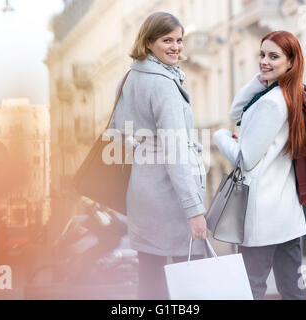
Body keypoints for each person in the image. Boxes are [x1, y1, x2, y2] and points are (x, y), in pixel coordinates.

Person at [110, 12, 207, 300]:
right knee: (187, 282)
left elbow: (118, 132)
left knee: (150, 278)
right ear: (149, 42)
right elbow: (175, 152)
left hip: (142, 189)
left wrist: (145, 146)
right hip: (170, 196)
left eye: (179, 40)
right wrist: (194, 210)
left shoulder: (129, 78)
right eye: (167, 40)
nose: (176, 47)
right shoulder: (164, 84)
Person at [213, 30, 306, 300]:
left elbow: (245, 159)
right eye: (262, 54)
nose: (264, 61)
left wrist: (220, 137)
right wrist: (262, 78)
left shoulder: (271, 102)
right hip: (286, 215)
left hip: (262, 215)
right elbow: (237, 112)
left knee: (251, 290)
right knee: (293, 291)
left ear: (291, 62)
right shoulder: (292, 96)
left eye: (274, 56)